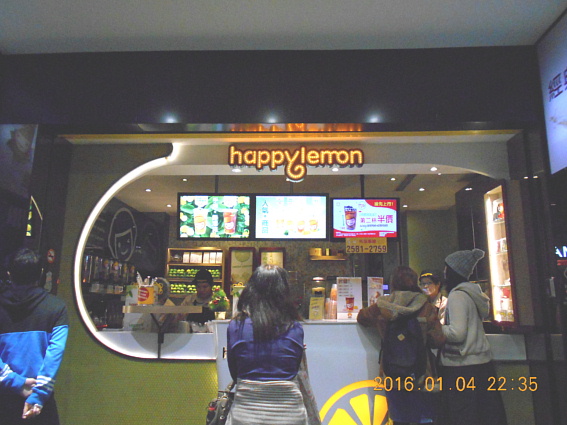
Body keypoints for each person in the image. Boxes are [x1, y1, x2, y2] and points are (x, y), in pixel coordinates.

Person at [357, 266, 445, 425]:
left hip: (392, 373)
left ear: (393, 283)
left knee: (398, 419)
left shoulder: (382, 306)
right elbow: (437, 340)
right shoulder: (426, 306)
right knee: (424, 419)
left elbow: (362, 317)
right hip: (421, 374)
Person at [226, 264, 308, 425]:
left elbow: (235, 373)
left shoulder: (236, 327)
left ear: (250, 291)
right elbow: (293, 370)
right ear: (284, 293)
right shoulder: (295, 328)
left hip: (245, 415)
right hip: (290, 415)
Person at [0, 248, 69, 424]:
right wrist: (39, 394)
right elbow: (54, 355)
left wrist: (15, 381)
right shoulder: (56, 307)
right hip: (40, 401)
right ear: (40, 273)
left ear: (9, 274)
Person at [440, 248, 507, 425]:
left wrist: (438, 329)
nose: (444, 272)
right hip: (481, 366)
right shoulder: (473, 294)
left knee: (463, 415)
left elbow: (457, 333)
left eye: (447, 268)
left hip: (461, 366)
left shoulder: (457, 296)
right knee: (484, 414)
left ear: (453, 271)